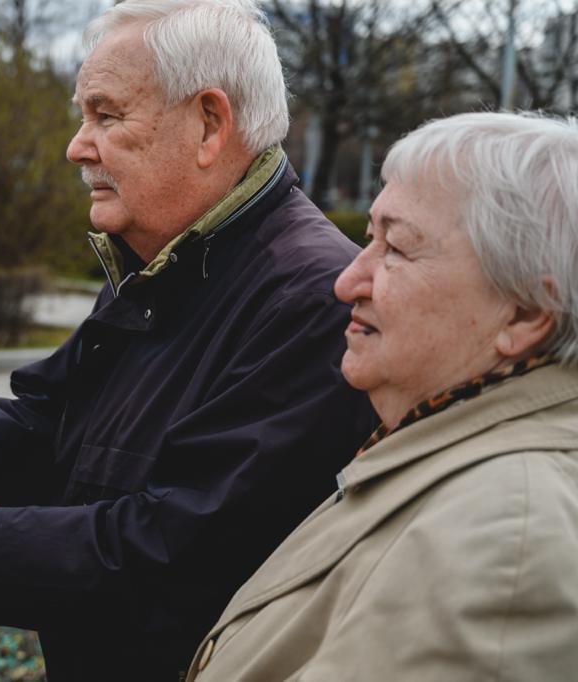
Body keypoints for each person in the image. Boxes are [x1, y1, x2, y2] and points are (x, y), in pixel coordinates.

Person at [0, 1, 376, 678]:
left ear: (209, 123)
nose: (76, 145)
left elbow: (190, 539)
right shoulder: (167, 251)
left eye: (106, 114)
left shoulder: (309, 297)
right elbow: (59, 416)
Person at [187, 111, 578, 680]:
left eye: (396, 247)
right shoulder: (437, 444)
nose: (347, 280)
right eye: (369, 237)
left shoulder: (507, 538)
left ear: (524, 312)